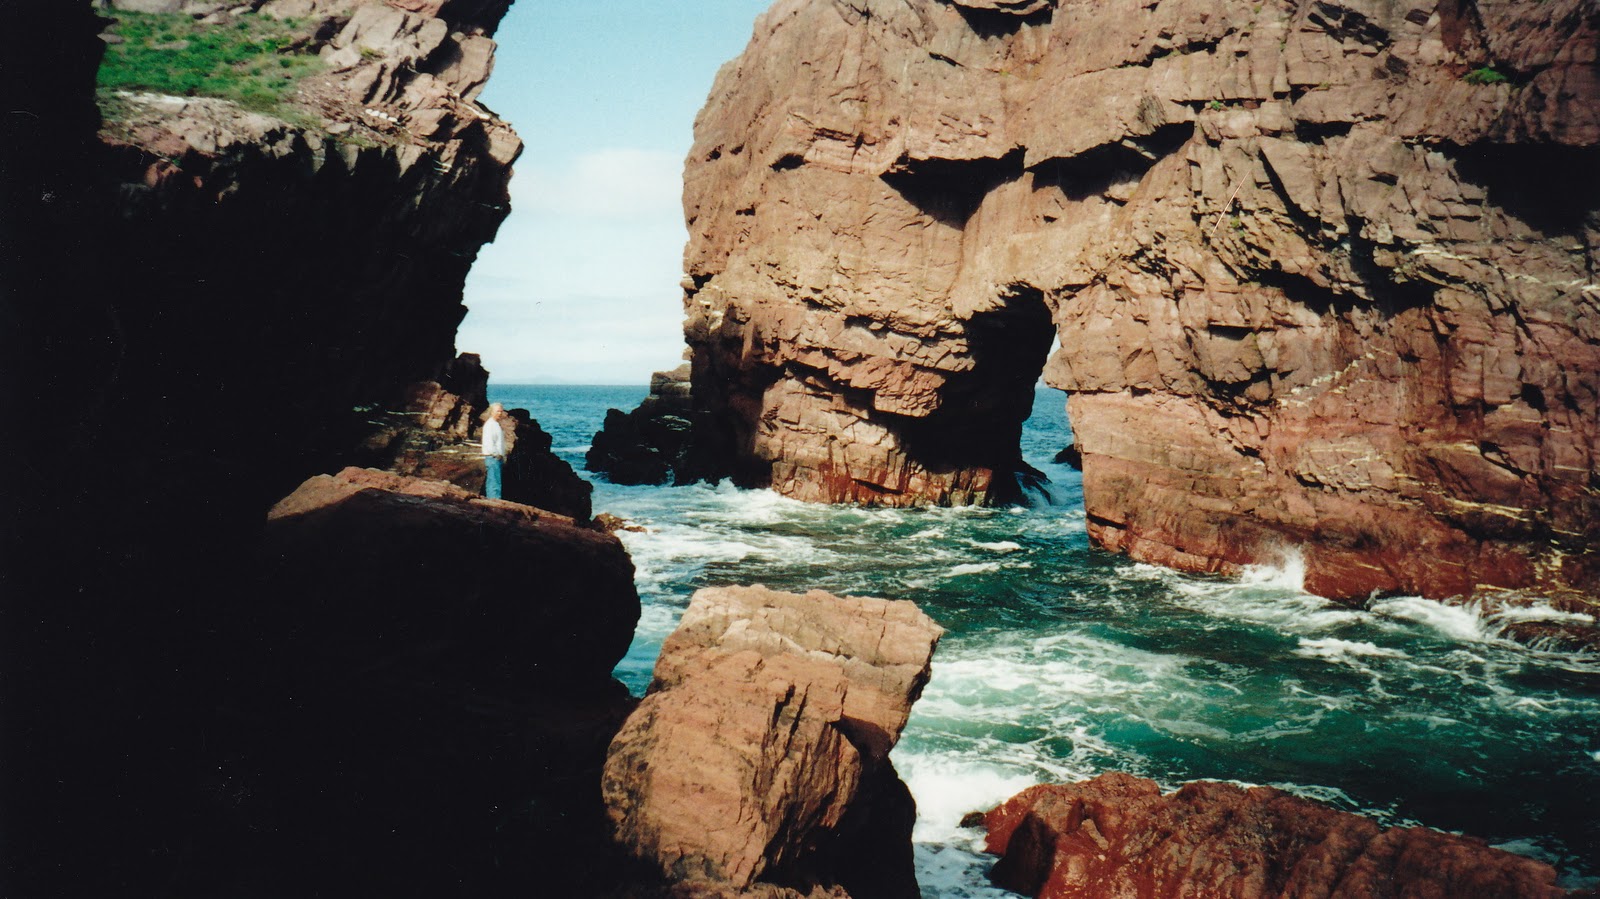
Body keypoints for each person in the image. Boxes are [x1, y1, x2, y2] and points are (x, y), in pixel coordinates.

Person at [481, 402, 506, 499]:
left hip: (496, 457)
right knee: (493, 483)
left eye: (501, 411)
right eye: (497, 411)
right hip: (493, 457)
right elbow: (489, 442)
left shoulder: (496, 424)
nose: (499, 413)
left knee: (496, 482)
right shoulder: (490, 425)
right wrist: (496, 454)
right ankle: (493, 503)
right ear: (491, 412)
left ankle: (494, 501)